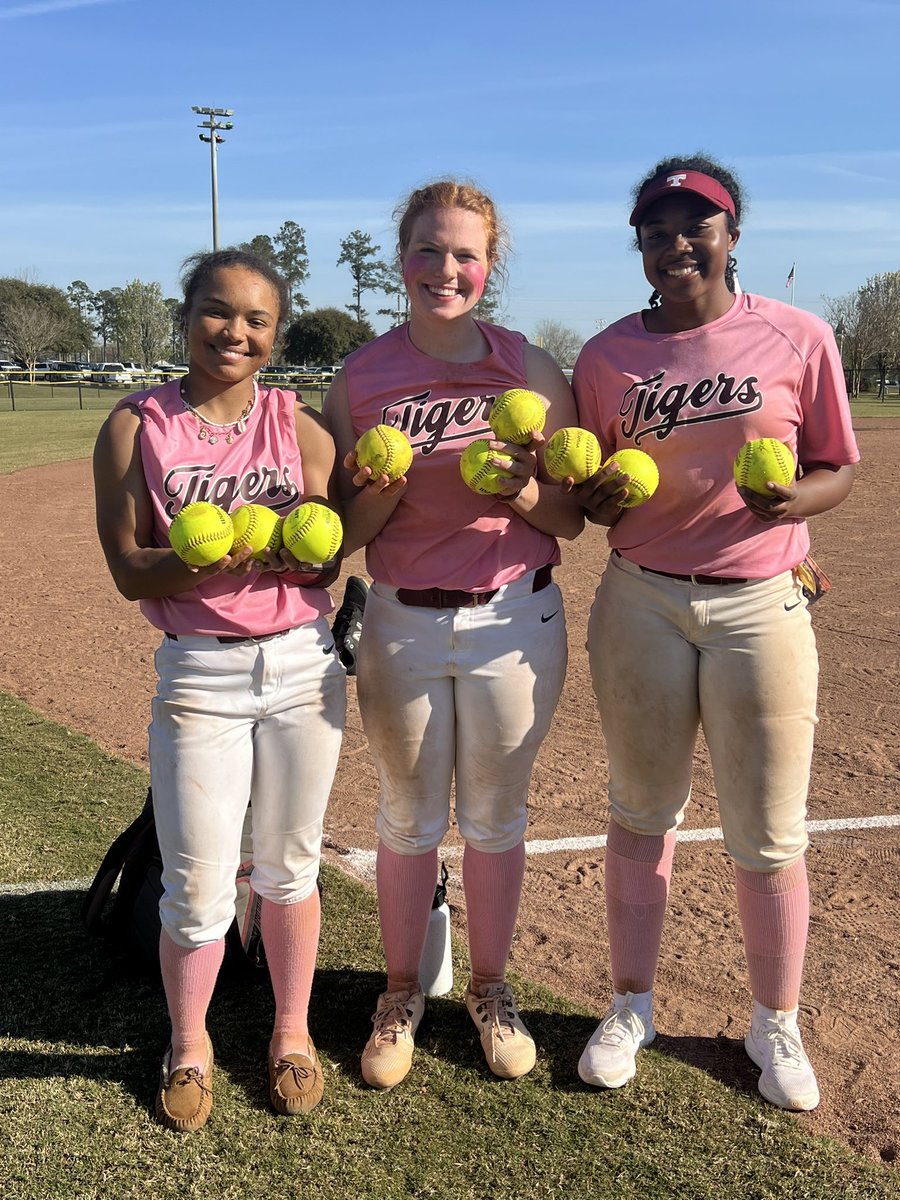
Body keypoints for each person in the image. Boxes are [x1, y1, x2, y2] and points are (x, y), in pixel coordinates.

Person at [570, 154, 859, 1112]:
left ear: (733, 235)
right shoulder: (608, 356)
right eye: (658, 230)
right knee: (639, 808)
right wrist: (599, 494)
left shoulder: (799, 336)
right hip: (642, 598)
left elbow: (836, 468)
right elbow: (593, 496)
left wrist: (793, 500)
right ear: (640, 246)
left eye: (698, 225)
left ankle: (774, 1017)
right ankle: (631, 1003)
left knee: (770, 835)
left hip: (760, 602)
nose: (678, 243)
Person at [324, 179, 583, 1089]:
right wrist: (370, 496)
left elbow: (572, 520)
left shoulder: (533, 369)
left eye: (465, 253)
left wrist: (520, 492)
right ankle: (399, 994)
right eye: (429, 250)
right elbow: (341, 537)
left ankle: (490, 989)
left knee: (497, 816)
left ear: (490, 264)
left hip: (516, 616)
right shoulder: (358, 378)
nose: (447, 268)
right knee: (407, 816)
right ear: (403, 260)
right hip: (402, 618)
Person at [93, 249, 346, 1130]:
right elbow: (129, 569)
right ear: (186, 315)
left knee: (291, 864)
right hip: (201, 672)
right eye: (216, 311)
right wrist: (202, 557)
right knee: (198, 881)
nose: (234, 331)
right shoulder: (136, 425)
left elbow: (332, 542)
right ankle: (190, 1043)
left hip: (303, 664)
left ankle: (290, 1032)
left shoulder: (300, 425)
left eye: (256, 319)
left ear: (275, 337)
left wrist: (295, 550)